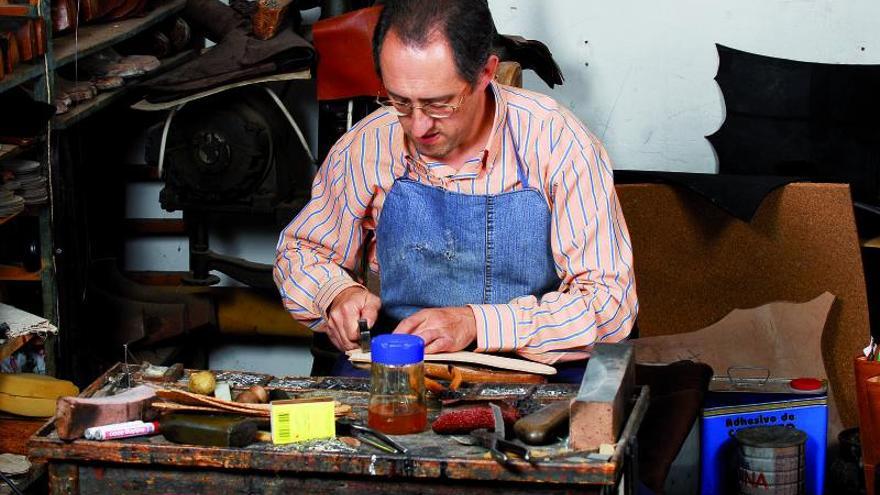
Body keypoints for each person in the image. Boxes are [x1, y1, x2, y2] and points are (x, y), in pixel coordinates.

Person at [274, 0, 637, 381]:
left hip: (535, 368)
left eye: (438, 104)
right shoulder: (368, 144)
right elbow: (300, 251)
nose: (417, 127)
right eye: (399, 101)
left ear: (485, 74)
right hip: (405, 364)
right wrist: (335, 294)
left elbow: (610, 307)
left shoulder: (558, 143)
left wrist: (476, 323)